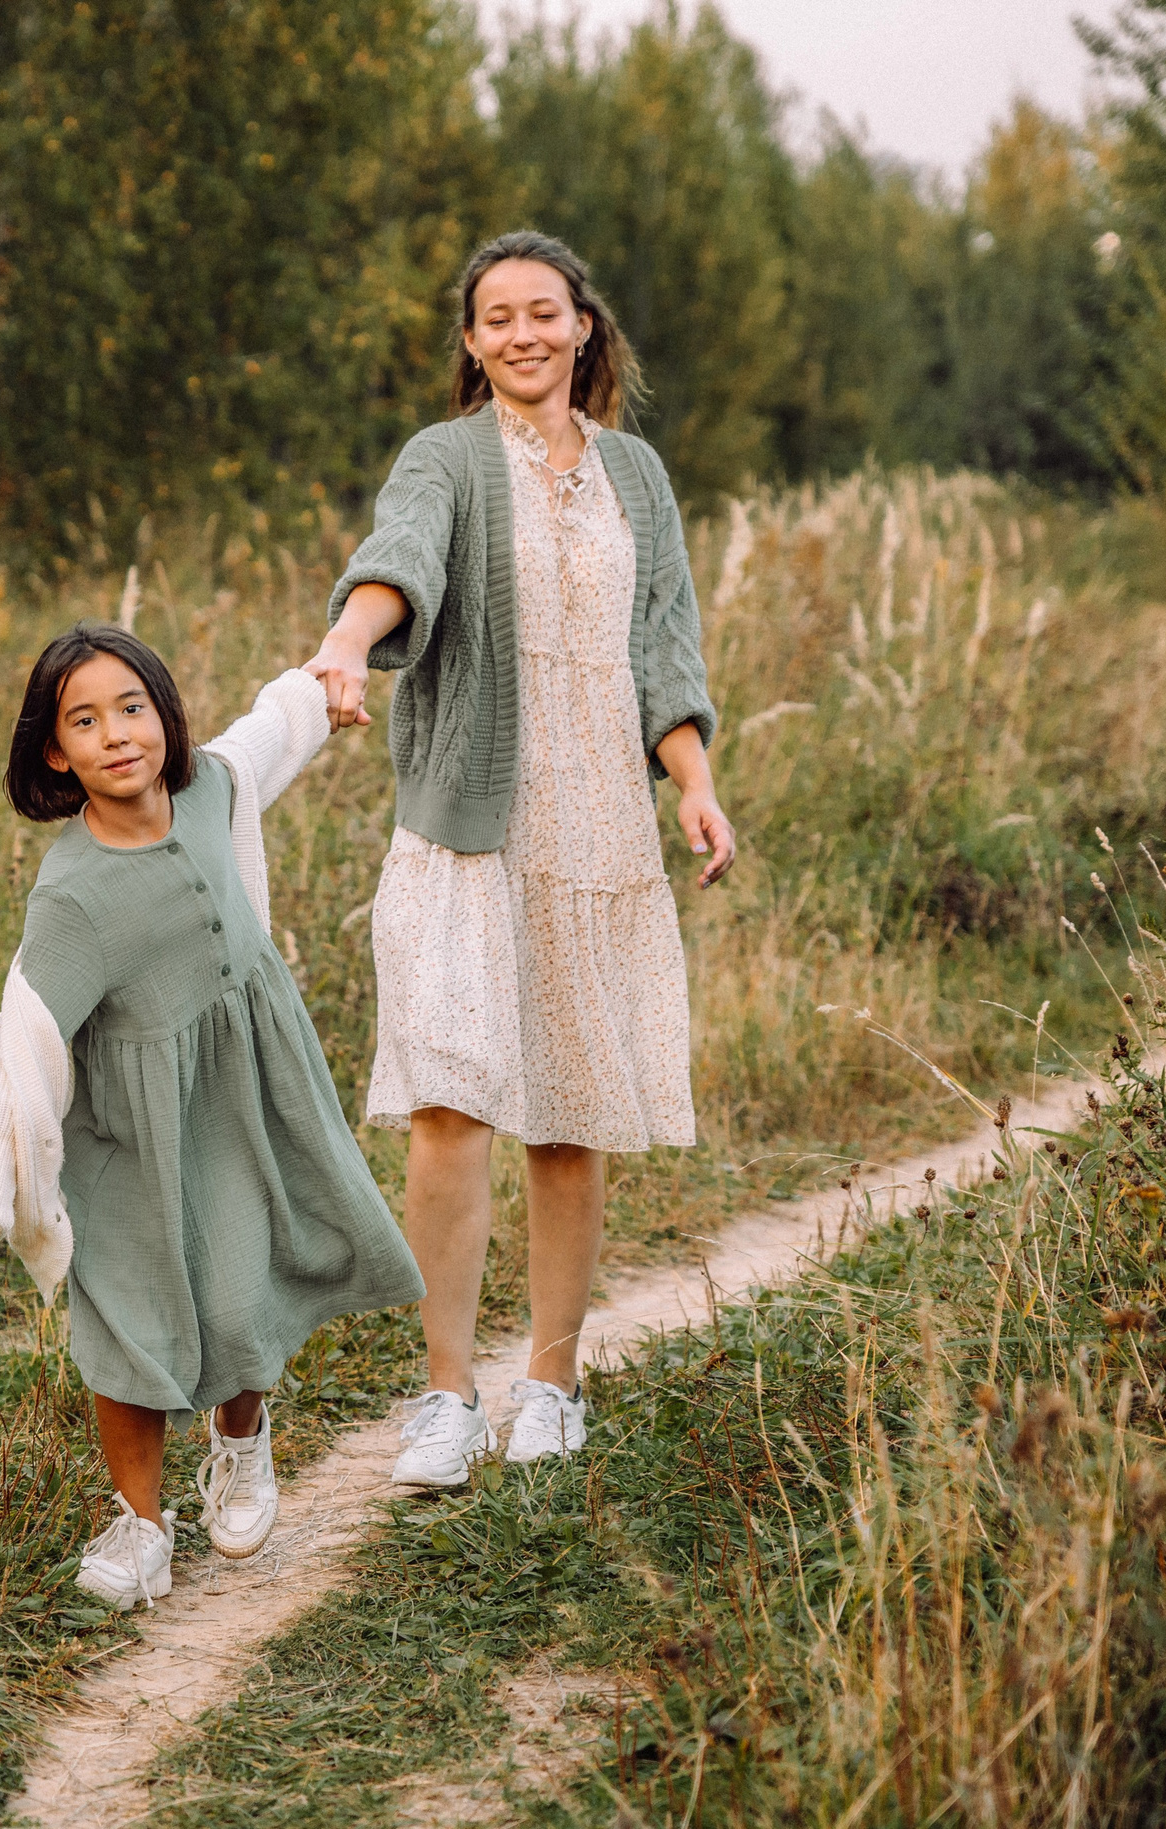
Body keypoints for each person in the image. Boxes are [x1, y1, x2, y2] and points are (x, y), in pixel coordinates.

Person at [306, 230, 738, 1489]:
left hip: (598, 818)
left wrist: (695, 785)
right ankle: (445, 1390)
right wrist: (344, 639)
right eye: (494, 319)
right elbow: (401, 559)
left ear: (583, 327)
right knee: (447, 1100)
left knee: (568, 1111)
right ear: (471, 342)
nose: (521, 336)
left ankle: (551, 1379)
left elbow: (666, 647)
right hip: (466, 818)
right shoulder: (443, 459)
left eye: (541, 313)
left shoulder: (638, 477)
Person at [0, 624, 425, 1608]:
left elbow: (271, 728)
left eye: (130, 707)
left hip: (232, 1093)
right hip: (125, 1135)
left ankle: (240, 1441)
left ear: (162, 715)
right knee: (130, 1322)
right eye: (83, 719)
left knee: (237, 1291)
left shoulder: (208, 790)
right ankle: (140, 1521)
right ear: (53, 753)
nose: (115, 734)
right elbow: (18, 1042)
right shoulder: (71, 899)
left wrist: (330, 679)